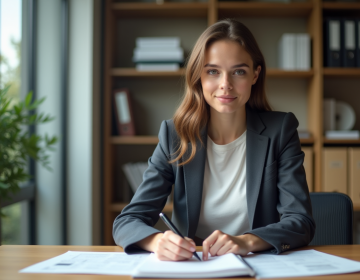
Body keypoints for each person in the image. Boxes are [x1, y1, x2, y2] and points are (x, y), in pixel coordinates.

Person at [113, 19, 315, 262]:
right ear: (199, 76)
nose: (225, 85)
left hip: (256, 263)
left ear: (255, 75)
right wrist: (157, 241)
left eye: (238, 71)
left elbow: (300, 222)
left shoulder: (280, 130)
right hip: (193, 265)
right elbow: (127, 222)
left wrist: (245, 241)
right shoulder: (174, 135)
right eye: (213, 71)